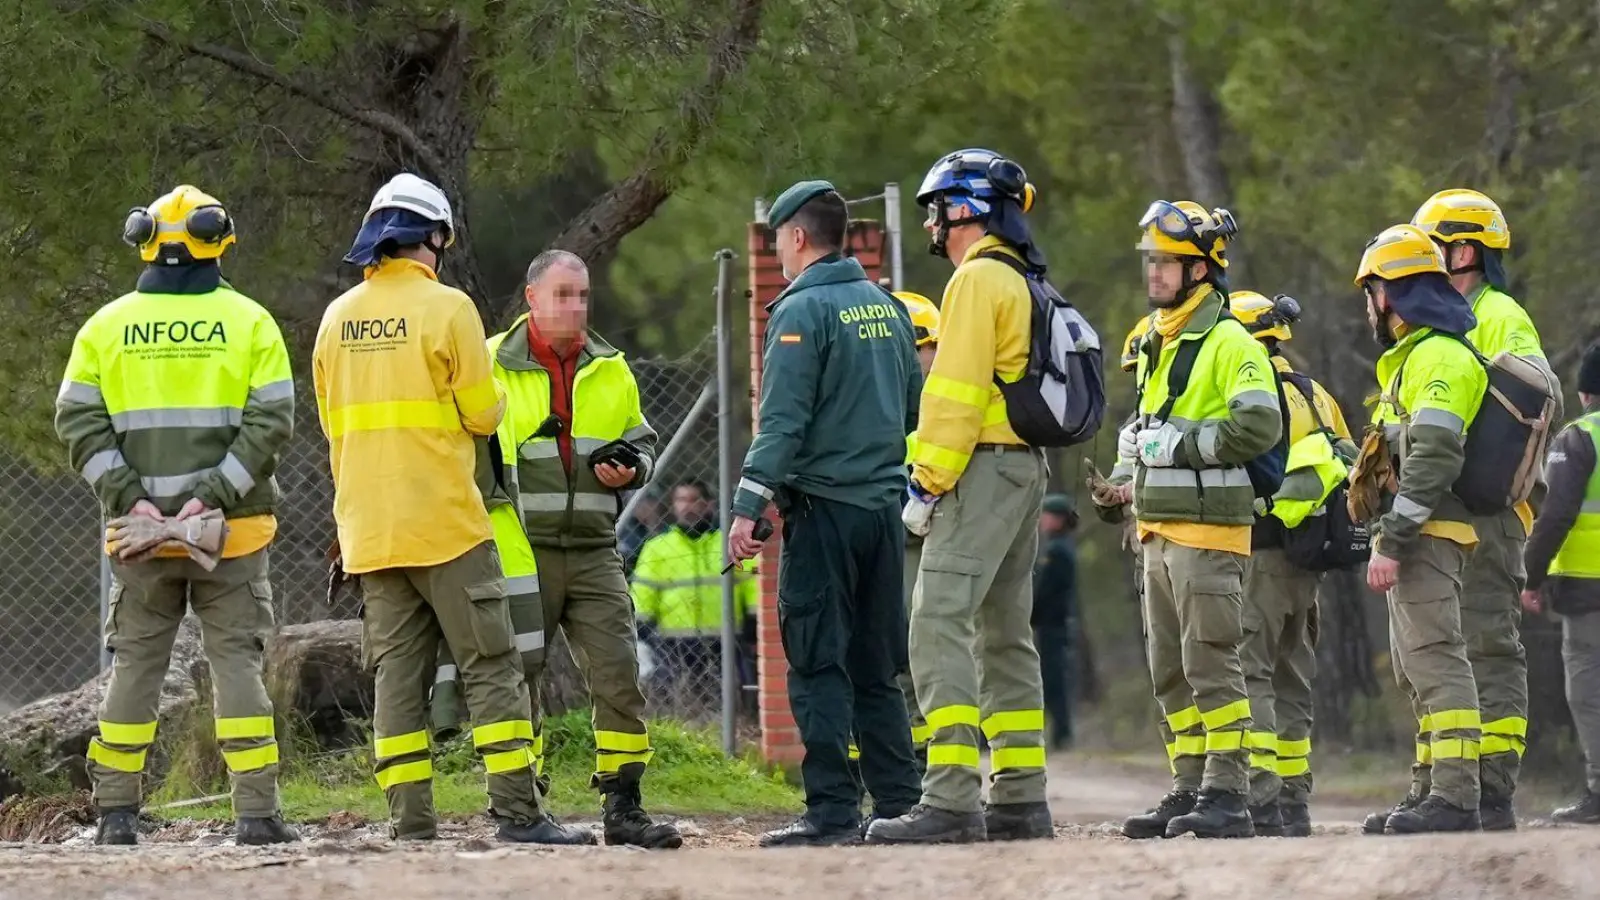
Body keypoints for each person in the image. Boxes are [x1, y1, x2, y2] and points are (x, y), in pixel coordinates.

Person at [313, 173, 588, 845]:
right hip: (445, 525)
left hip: (369, 531)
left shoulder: (336, 317)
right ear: (432, 238)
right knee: (490, 666)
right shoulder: (449, 308)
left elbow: (330, 424)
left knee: (397, 680)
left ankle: (410, 824)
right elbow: (484, 412)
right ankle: (520, 816)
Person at [57, 184, 298, 846]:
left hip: (135, 539)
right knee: (237, 668)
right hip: (231, 533)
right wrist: (212, 494)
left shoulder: (104, 327)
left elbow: (75, 418)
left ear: (146, 241)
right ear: (217, 240)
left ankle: (115, 817)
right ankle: (256, 815)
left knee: (133, 668)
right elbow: (273, 419)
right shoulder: (250, 322)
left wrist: (130, 497)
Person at [867, 148, 1056, 846]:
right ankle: (1021, 797)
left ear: (965, 209)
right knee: (1006, 633)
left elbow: (954, 395)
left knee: (935, 619)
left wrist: (924, 483)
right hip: (1024, 468)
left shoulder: (977, 280)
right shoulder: (1025, 279)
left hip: (979, 471)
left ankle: (948, 798)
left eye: (937, 211)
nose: (932, 226)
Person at [728, 180, 923, 847]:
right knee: (876, 664)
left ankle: (832, 811)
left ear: (798, 236)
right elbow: (912, 412)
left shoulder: (801, 312)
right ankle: (899, 804)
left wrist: (748, 506)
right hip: (882, 512)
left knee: (815, 663)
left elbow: (781, 422)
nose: (778, 248)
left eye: (779, 236)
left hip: (824, 512)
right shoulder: (888, 308)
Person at [489, 248, 681, 849]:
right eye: (562, 294)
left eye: (582, 295)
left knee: (620, 674)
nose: (575, 306)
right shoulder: (490, 362)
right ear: (532, 298)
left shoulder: (612, 367)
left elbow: (640, 438)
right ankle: (524, 806)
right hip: (522, 548)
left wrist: (634, 466)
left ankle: (623, 808)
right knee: (519, 676)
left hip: (597, 548)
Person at [1114, 200, 1280, 841]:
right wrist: (1135, 460)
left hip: (1209, 535)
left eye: (1168, 262)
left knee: (1212, 662)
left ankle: (1228, 793)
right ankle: (1188, 786)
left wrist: (1176, 446)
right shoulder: (1161, 340)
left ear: (1202, 269)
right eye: (1151, 260)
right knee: (1170, 671)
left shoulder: (1230, 339)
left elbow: (1259, 424)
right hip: (1159, 530)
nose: (1153, 272)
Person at [1412, 189, 1554, 829]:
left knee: (1488, 649)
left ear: (1463, 251)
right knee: (1441, 651)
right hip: (1455, 514)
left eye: (1429, 247)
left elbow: (1533, 401)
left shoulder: (1499, 314)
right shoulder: (1443, 321)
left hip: (1492, 518)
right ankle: (1440, 783)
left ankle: (1491, 789)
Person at [1351, 223, 1487, 834]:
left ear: (1394, 295)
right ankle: (1428, 788)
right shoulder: (1410, 361)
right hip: (1417, 531)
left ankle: (1456, 797)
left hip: (1430, 533)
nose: (1369, 307)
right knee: (1414, 667)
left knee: (1435, 658)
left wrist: (1393, 539)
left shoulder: (1440, 356)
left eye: (1373, 291)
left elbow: (1432, 455)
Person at [1228, 290, 1355, 838]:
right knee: (1293, 676)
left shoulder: (1249, 389)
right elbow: (1351, 460)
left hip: (1259, 550)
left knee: (1251, 670)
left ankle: (1262, 797)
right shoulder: (1317, 394)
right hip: (1310, 556)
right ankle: (1295, 799)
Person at [1520, 342, 1600, 825]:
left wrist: (1533, 575)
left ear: (1587, 391)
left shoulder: (1579, 438)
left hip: (1589, 590)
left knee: (1589, 691)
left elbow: (1555, 516)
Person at [631, 478, 757, 710]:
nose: (686, 507)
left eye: (693, 500)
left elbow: (751, 583)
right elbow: (642, 593)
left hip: (726, 641)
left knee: (731, 706)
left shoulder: (728, 543)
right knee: (680, 707)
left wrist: (753, 621)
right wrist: (643, 631)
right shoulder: (657, 547)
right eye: (680, 500)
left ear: (708, 504)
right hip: (674, 644)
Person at [895, 289, 942, 767]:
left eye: (916, 348)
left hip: (924, 542)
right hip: (883, 540)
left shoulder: (945, 403)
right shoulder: (870, 401)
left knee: (920, 653)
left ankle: (928, 764)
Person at [1034, 494, 1079, 752]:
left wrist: (1031, 613)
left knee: (1055, 680)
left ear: (1060, 519)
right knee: (1053, 679)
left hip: (1054, 625)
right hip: (1051, 625)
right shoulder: (1057, 547)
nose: (1043, 520)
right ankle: (1060, 734)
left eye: (1048, 515)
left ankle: (1062, 735)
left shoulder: (1058, 551)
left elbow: (1048, 591)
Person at [619, 491, 666, 577]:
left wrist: (652, 522)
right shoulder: (627, 526)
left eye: (650, 503)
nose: (643, 508)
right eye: (639, 503)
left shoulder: (665, 530)